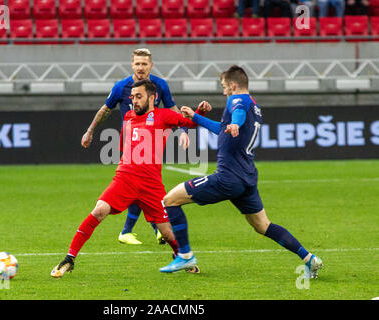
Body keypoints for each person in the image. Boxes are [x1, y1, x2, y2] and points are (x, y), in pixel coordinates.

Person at [159, 65, 323, 280]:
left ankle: (185, 255)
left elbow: (236, 115)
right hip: (246, 178)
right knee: (263, 226)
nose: (223, 91)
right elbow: (223, 129)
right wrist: (195, 117)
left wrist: (235, 123)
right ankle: (309, 258)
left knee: (170, 200)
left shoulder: (237, 100)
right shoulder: (255, 107)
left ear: (233, 85)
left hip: (228, 177)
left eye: (224, 87)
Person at [51, 79, 204, 278]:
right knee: (99, 210)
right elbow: (125, 147)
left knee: (167, 233)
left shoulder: (164, 115)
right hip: (125, 179)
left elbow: (190, 122)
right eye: (132, 97)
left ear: (152, 97)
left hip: (151, 184)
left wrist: (201, 111)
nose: (134, 101)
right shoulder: (129, 117)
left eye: (138, 97)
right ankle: (69, 258)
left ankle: (183, 258)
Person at [80, 48, 189, 246]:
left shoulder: (160, 85)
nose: (140, 67)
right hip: (132, 143)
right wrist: (90, 131)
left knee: (142, 186)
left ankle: (140, 229)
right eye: (137, 63)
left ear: (151, 66)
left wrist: (183, 133)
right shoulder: (121, 86)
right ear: (132, 65)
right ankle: (148, 228)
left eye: (144, 64)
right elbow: (105, 109)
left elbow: (172, 109)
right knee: (139, 184)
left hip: (154, 141)